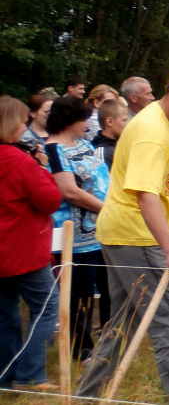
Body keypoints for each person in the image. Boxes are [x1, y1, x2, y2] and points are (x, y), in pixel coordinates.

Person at [76, 68, 169, 405]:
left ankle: (85, 397)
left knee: (125, 320)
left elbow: (163, 181)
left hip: (126, 232)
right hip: (135, 235)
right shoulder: (151, 131)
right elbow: (145, 195)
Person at [0, 96, 61, 392]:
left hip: (4, 250)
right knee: (47, 306)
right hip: (22, 248)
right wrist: (42, 167)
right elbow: (50, 199)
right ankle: (30, 373)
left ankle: (7, 374)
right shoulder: (19, 161)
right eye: (22, 122)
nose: (25, 127)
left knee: (5, 313)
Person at [45, 96, 112, 361]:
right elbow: (70, 192)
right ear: (69, 120)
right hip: (74, 235)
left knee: (107, 287)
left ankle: (109, 337)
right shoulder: (53, 150)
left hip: (101, 230)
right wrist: (106, 209)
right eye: (84, 119)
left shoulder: (84, 143)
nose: (88, 124)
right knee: (79, 294)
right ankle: (81, 347)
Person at [91, 98, 129, 171]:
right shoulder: (101, 152)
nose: (127, 124)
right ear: (109, 122)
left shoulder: (119, 144)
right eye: (124, 120)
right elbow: (104, 180)